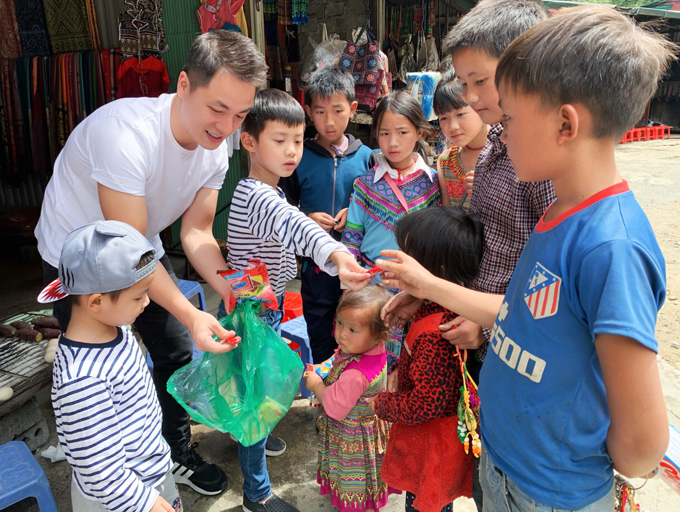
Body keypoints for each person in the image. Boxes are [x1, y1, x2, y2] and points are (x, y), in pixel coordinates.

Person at [378, 6, 673, 511]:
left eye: (509, 118)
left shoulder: (611, 249)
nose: (499, 131)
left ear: (565, 124)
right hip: (504, 465)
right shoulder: (555, 212)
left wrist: (572, 461)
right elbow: (520, 315)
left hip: (553, 493)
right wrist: (425, 289)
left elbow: (643, 444)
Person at [33, 30, 267, 494]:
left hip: (140, 250)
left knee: (175, 349)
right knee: (102, 371)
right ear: (183, 85)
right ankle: (112, 481)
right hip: (77, 259)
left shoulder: (215, 149)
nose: (225, 127)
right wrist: (191, 311)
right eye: (217, 108)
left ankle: (174, 452)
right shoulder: (125, 133)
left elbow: (196, 232)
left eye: (239, 114)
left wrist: (228, 285)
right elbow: (135, 247)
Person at [385, 4, 555, 506]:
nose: (472, 98)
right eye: (464, 83)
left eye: (479, 82)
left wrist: (474, 316)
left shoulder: (541, 161)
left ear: (527, 66)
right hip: (477, 333)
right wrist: (430, 300)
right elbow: (484, 247)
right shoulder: (501, 143)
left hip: (512, 344)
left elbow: (544, 282)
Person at [227, 88, 371, 512]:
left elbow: (290, 229)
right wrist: (338, 254)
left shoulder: (262, 190)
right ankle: (257, 494)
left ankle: (260, 436)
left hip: (257, 307)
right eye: (279, 140)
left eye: (296, 139)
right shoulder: (260, 196)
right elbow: (297, 228)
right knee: (255, 400)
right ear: (248, 141)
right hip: (253, 314)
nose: (292, 151)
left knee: (261, 387)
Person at [42, 221, 189, 512]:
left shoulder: (116, 327)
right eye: (138, 296)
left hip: (151, 473)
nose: (147, 302)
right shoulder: (82, 381)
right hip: (118, 498)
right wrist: (144, 502)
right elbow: (98, 470)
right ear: (96, 301)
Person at [369, 207, 484, 512]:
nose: (399, 263)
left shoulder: (436, 332)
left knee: (425, 503)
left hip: (432, 443)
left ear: (437, 270)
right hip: (427, 437)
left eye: (408, 257)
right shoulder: (430, 306)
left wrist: (382, 405)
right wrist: (397, 368)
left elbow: (427, 403)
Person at [342, 90, 441, 373]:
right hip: (370, 290)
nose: (393, 142)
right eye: (384, 133)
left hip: (416, 292)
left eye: (402, 132)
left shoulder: (433, 184)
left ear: (419, 132)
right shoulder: (364, 185)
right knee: (366, 364)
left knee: (408, 365)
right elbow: (351, 239)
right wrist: (351, 289)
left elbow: (435, 246)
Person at [279, 66, 372, 363]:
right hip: (315, 269)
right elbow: (283, 208)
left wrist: (355, 210)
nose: (329, 121)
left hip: (357, 268)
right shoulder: (297, 158)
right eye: (319, 112)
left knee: (359, 334)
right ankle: (325, 397)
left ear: (353, 109)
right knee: (320, 333)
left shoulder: (367, 158)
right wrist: (305, 216)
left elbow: (379, 210)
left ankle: (354, 400)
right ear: (308, 112)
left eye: (337, 110)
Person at [303, 284, 400, 512]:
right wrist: (323, 368)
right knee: (368, 474)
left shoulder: (356, 375)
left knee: (353, 479)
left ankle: (353, 505)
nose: (341, 334)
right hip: (367, 428)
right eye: (339, 323)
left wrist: (316, 384)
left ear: (379, 335)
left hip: (351, 437)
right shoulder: (369, 349)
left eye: (352, 329)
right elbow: (338, 359)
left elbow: (334, 406)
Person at [433, 73, 488, 210]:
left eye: (460, 114)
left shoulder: (507, 152)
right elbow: (449, 216)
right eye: (443, 118)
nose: (453, 127)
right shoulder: (446, 162)